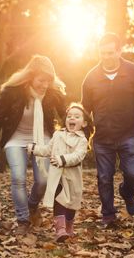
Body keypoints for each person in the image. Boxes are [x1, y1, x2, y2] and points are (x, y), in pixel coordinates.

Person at [81, 32, 134, 228]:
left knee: (133, 173)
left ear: (119, 51)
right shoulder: (91, 77)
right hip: (102, 138)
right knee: (104, 178)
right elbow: (84, 109)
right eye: (103, 53)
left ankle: (127, 193)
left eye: (110, 52)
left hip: (128, 135)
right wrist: (81, 134)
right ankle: (108, 215)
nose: (106, 57)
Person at [0, 55, 66, 236]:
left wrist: (76, 135)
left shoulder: (52, 94)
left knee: (43, 180)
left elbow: (66, 116)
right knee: (18, 178)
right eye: (41, 80)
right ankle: (22, 220)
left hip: (42, 139)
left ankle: (31, 205)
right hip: (16, 138)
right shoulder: (12, 92)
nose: (45, 85)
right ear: (31, 77)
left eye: (48, 80)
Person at [27, 103, 93, 242]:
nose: (72, 118)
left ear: (84, 123)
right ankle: (60, 230)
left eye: (76, 116)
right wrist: (34, 148)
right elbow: (47, 150)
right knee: (60, 201)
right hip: (57, 177)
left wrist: (62, 159)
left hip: (72, 177)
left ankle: (69, 226)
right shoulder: (58, 135)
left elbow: (78, 156)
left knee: (71, 204)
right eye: (69, 116)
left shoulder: (82, 140)